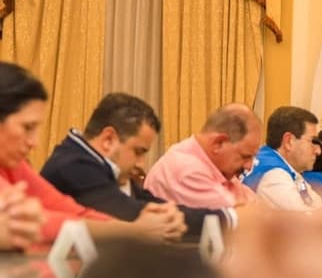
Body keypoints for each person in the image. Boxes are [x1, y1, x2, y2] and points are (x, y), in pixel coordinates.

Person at [0, 62, 183, 245]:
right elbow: (45, 224)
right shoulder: (71, 164)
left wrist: (138, 228)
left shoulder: (15, 166)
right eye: (27, 127)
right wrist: (134, 231)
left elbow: (70, 211)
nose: (34, 142)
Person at [41, 93, 234, 237]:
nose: (141, 163)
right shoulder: (73, 166)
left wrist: (172, 214)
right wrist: (228, 219)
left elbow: (150, 204)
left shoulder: (100, 165)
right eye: (138, 151)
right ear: (108, 139)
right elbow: (130, 213)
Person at [145, 103, 261, 210]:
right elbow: (242, 219)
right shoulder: (186, 171)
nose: (249, 166)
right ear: (218, 143)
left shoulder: (220, 170)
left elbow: (260, 211)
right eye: (245, 157)